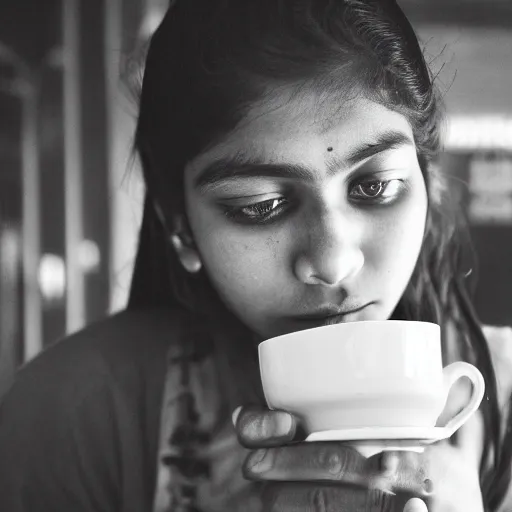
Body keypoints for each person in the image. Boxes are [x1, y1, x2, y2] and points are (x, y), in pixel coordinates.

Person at [0, 0, 511, 510]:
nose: (332, 263)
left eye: (376, 187)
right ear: (180, 227)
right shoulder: (76, 412)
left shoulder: (503, 397)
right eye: (261, 206)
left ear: (425, 181)